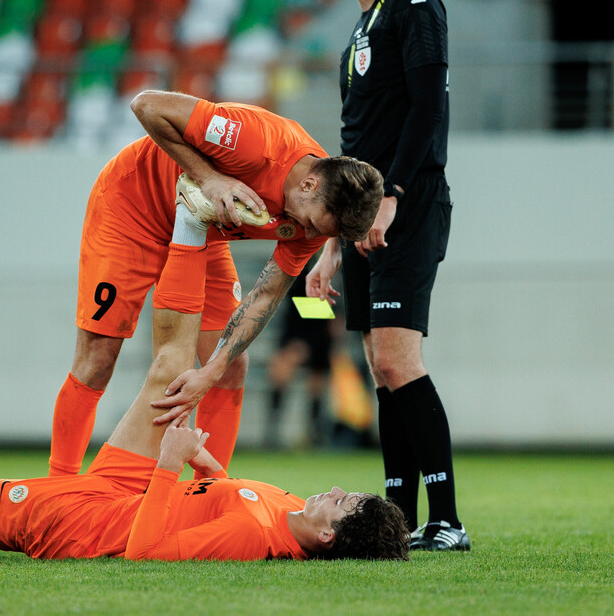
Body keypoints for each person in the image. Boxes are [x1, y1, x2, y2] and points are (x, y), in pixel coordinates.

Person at [0, 307, 411, 562]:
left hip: (86, 526)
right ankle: (191, 229)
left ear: (328, 537)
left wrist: (168, 468)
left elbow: (146, 555)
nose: (330, 493)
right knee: (172, 375)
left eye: (341, 504)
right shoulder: (281, 513)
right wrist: (205, 466)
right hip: (109, 500)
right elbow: (218, 497)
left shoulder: (256, 539)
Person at [49, 89, 383, 482]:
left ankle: (206, 494)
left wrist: (211, 370)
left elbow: (266, 296)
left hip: (200, 230)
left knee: (230, 368)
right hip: (132, 210)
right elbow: (145, 104)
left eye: (317, 233)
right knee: (97, 362)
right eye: (311, 224)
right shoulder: (254, 141)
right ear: (309, 185)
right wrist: (210, 178)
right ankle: (59, 488)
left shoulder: (315, 218)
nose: (305, 234)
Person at [308, 0, 467, 552]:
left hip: (409, 204)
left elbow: (428, 107)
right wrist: (330, 243)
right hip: (363, 217)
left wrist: (394, 195)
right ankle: (401, 517)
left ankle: (448, 519)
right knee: (379, 366)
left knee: (400, 359)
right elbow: (352, 150)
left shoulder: (416, 5)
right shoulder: (355, 39)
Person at [263, 266, 343, 448]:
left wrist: (338, 318)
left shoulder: (338, 254)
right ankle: (272, 432)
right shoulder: (307, 257)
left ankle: (314, 434)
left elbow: (340, 294)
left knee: (317, 380)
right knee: (282, 372)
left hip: (323, 325)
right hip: (298, 324)